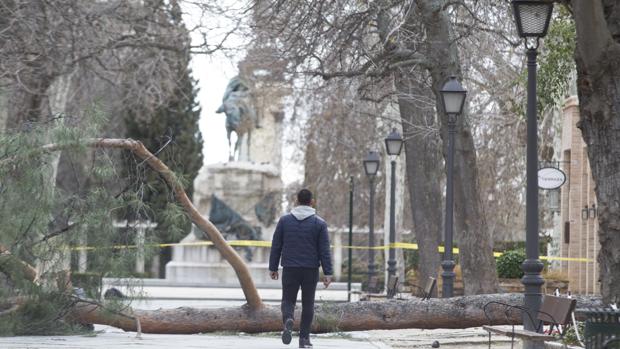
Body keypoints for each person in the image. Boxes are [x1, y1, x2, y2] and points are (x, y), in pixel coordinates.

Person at [269, 189, 333, 348]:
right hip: (310, 269)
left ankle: (289, 319)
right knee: (308, 304)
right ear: (312, 202)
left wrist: (273, 267)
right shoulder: (320, 224)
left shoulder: (284, 221)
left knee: (288, 300)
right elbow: (324, 250)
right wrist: (328, 272)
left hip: (290, 267)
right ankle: (304, 339)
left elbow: (276, 245)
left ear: (297, 201)